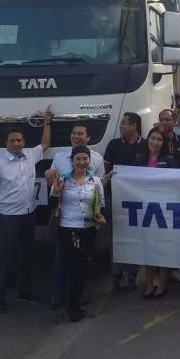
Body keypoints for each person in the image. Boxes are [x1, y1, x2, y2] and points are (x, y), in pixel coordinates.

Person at [0, 105, 54, 313]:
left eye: (19, 140)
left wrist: (47, 122)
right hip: (8, 217)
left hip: (28, 215)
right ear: (6, 143)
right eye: (12, 140)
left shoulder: (30, 155)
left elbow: (45, 143)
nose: (17, 143)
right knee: (5, 256)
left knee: (27, 255)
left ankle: (24, 291)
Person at [44, 125, 105, 309]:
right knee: (62, 259)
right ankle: (58, 294)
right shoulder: (59, 159)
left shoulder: (97, 159)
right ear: (72, 161)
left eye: (80, 134)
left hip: (87, 224)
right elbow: (52, 183)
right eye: (74, 133)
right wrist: (49, 178)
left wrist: (98, 216)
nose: (76, 136)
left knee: (83, 261)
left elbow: (98, 187)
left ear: (88, 137)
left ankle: (76, 295)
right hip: (65, 222)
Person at [103, 112, 148, 293]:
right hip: (117, 199)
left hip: (139, 201)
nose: (120, 126)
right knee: (117, 236)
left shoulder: (145, 146)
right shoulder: (113, 145)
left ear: (134, 126)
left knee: (136, 236)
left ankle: (132, 273)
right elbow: (106, 169)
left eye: (124, 123)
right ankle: (116, 273)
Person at [136, 127, 175, 299]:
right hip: (143, 209)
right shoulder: (138, 159)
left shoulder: (169, 160)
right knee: (147, 247)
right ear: (148, 140)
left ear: (163, 143)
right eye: (153, 138)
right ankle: (149, 283)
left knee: (163, 246)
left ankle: (163, 282)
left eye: (159, 139)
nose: (155, 142)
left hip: (164, 209)